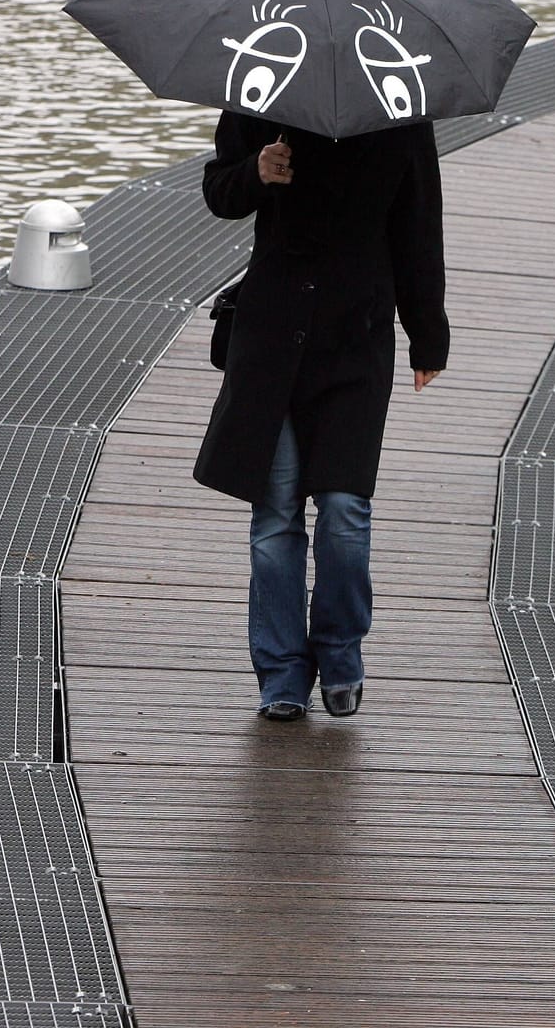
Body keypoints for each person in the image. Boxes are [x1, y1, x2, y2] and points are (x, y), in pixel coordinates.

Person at [192, 110, 447, 721]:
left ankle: (340, 655)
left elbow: (418, 227)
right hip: (271, 338)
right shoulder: (263, 98)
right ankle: (281, 673)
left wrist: (427, 334)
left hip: (356, 343)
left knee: (344, 510)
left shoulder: (400, 114)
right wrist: (257, 172)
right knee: (276, 513)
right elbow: (219, 193)